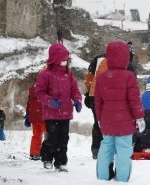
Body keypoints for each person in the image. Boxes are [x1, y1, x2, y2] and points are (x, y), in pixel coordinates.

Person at [94, 40, 145, 182]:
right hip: (125, 121)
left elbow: (98, 101)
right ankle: (122, 178)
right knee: (123, 149)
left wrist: (99, 118)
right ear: (126, 57)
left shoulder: (101, 77)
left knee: (106, 148)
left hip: (107, 120)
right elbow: (134, 100)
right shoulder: (129, 76)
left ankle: (103, 176)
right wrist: (140, 117)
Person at [35, 43, 82, 172]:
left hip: (66, 112)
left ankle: (60, 162)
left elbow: (75, 90)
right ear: (55, 59)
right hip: (51, 113)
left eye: (66, 59)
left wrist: (77, 100)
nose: (65, 61)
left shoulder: (69, 75)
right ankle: (47, 158)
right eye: (62, 59)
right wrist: (50, 101)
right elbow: (39, 92)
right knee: (52, 138)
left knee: (63, 139)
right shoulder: (45, 74)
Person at [83, 53, 105, 159]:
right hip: (110, 96)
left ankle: (96, 150)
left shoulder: (97, 58)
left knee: (97, 123)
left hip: (94, 95)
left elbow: (88, 78)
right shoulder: (119, 59)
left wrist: (89, 92)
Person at [24, 82, 46, 160]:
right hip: (44, 117)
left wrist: (27, 115)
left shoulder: (33, 89)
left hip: (34, 117)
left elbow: (28, 104)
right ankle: (46, 154)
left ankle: (34, 154)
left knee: (36, 135)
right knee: (48, 136)